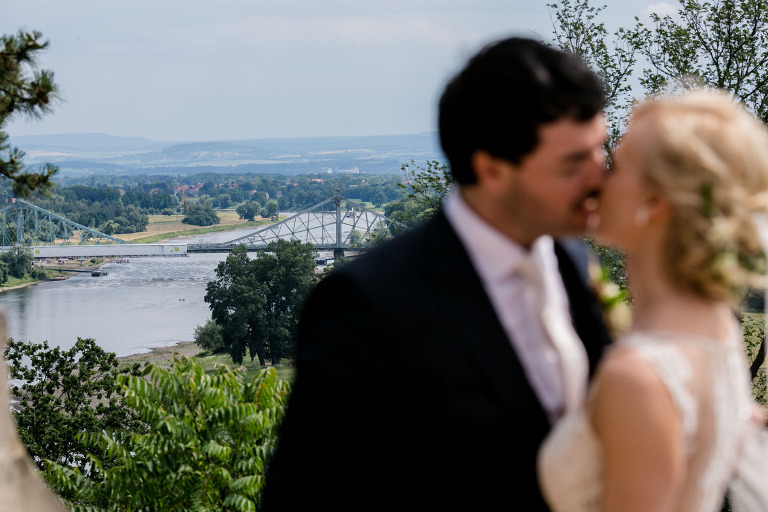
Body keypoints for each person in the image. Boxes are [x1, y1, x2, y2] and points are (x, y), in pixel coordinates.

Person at [260, 36, 613, 512]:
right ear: (491, 168)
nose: (601, 177)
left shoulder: (572, 260)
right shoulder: (366, 304)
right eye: (574, 163)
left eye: (601, 151)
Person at [537, 88, 768, 512]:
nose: (598, 178)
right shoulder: (713, 322)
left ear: (656, 203)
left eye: (618, 166)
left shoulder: (638, 376)